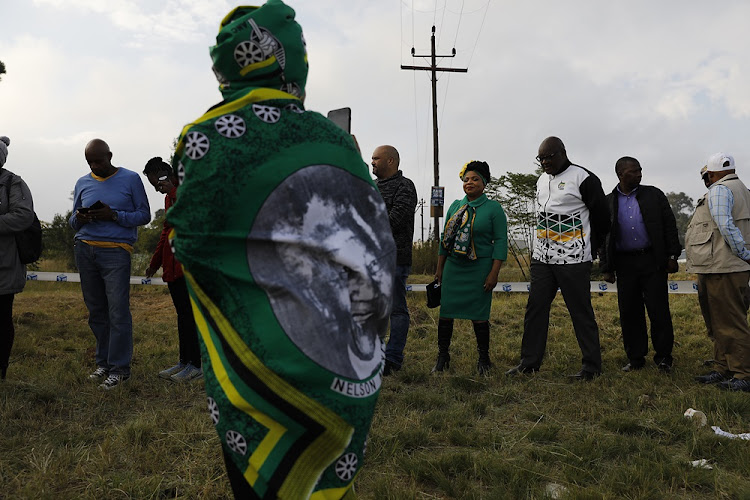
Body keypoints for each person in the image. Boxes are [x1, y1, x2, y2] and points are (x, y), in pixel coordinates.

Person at [166, 2, 396, 497]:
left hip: (255, 362)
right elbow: (376, 246)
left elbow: (190, 242)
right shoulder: (336, 142)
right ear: (295, 61)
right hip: (340, 359)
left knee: (260, 476)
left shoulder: (202, 139)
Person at [507, 137, 610, 380]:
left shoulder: (583, 178)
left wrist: (590, 248)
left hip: (573, 258)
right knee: (536, 308)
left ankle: (591, 367)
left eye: (549, 157)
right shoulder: (542, 180)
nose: (544, 162)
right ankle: (529, 363)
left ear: (563, 153)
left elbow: (603, 218)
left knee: (580, 311)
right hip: (543, 258)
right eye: (540, 158)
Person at [69, 139, 150, 390]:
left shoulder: (131, 178)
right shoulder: (83, 182)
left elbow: (144, 215)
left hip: (116, 252)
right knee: (97, 311)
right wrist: (81, 218)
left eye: (99, 161)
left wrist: (113, 215)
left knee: (117, 311)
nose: (95, 165)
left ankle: (119, 370)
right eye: (90, 162)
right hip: (85, 249)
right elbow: (72, 222)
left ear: (110, 156)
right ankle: (103, 363)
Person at [600, 157, 681, 373]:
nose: (639, 174)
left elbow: (669, 225)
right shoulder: (608, 202)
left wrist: (673, 255)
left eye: (640, 170)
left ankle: (664, 357)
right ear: (620, 175)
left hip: (652, 261)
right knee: (629, 312)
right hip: (625, 264)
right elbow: (603, 236)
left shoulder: (654, 195)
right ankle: (636, 358)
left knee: (659, 310)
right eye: (633, 172)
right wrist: (606, 267)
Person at [433, 160, 507, 375]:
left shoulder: (494, 208)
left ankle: (484, 359)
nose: (469, 182)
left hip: (480, 268)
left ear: (484, 183)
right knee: (445, 312)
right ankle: (442, 356)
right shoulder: (455, 206)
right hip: (454, 267)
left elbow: (501, 241)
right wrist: (440, 268)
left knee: (479, 314)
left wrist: (494, 273)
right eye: (466, 179)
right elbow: (444, 240)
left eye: (475, 179)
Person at [686, 153, 750, 392]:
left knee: (730, 321)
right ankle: (722, 366)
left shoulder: (720, 190)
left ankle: (742, 373)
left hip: (724, 264)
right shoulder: (742, 188)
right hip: (723, 266)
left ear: (711, 174)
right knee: (720, 319)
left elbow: (725, 224)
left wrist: (742, 252)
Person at [142, 157, 202, 382]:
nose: (157, 189)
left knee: (190, 316)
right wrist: (155, 262)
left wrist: (175, 191)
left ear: (165, 174)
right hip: (172, 266)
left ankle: (196, 365)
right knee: (182, 316)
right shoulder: (169, 198)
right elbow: (166, 231)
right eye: (153, 186)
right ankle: (184, 362)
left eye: (157, 183)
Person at [371, 145, 417, 375]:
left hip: (395, 259)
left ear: (390, 161)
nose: (372, 162)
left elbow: (394, 221)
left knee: (396, 310)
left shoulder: (405, 186)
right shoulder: (370, 187)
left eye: (376, 158)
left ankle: (393, 359)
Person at [0, 136, 35, 380]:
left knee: (1, 320)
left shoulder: (13, 182)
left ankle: (0, 370)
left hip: (4, 264)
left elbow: (23, 216)